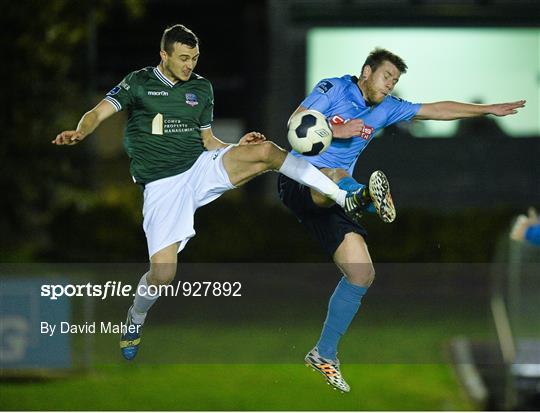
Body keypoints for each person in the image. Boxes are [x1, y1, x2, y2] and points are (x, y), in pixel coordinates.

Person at [52, 24, 370, 361]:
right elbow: (97, 112)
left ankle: (341, 196)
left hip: (200, 167)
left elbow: (208, 141)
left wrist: (235, 147)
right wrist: (80, 131)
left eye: (195, 58)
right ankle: (136, 316)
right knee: (163, 275)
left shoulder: (201, 88)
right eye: (184, 58)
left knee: (265, 152)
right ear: (164, 55)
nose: (190, 65)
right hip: (163, 186)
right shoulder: (138, 82)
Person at [278, 48, 526, 392]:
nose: (390, 84)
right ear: (366, 71)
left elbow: (436, 110)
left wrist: (485, 110)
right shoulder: (333, 88)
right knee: (333, 174)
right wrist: (338, 132)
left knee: (362, 273)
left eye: (395, 81)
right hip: (300, 179)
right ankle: (364, 198)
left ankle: (323, 353)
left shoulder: (387, 108)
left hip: (336, 197)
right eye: (386, 77)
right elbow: (295, 123)